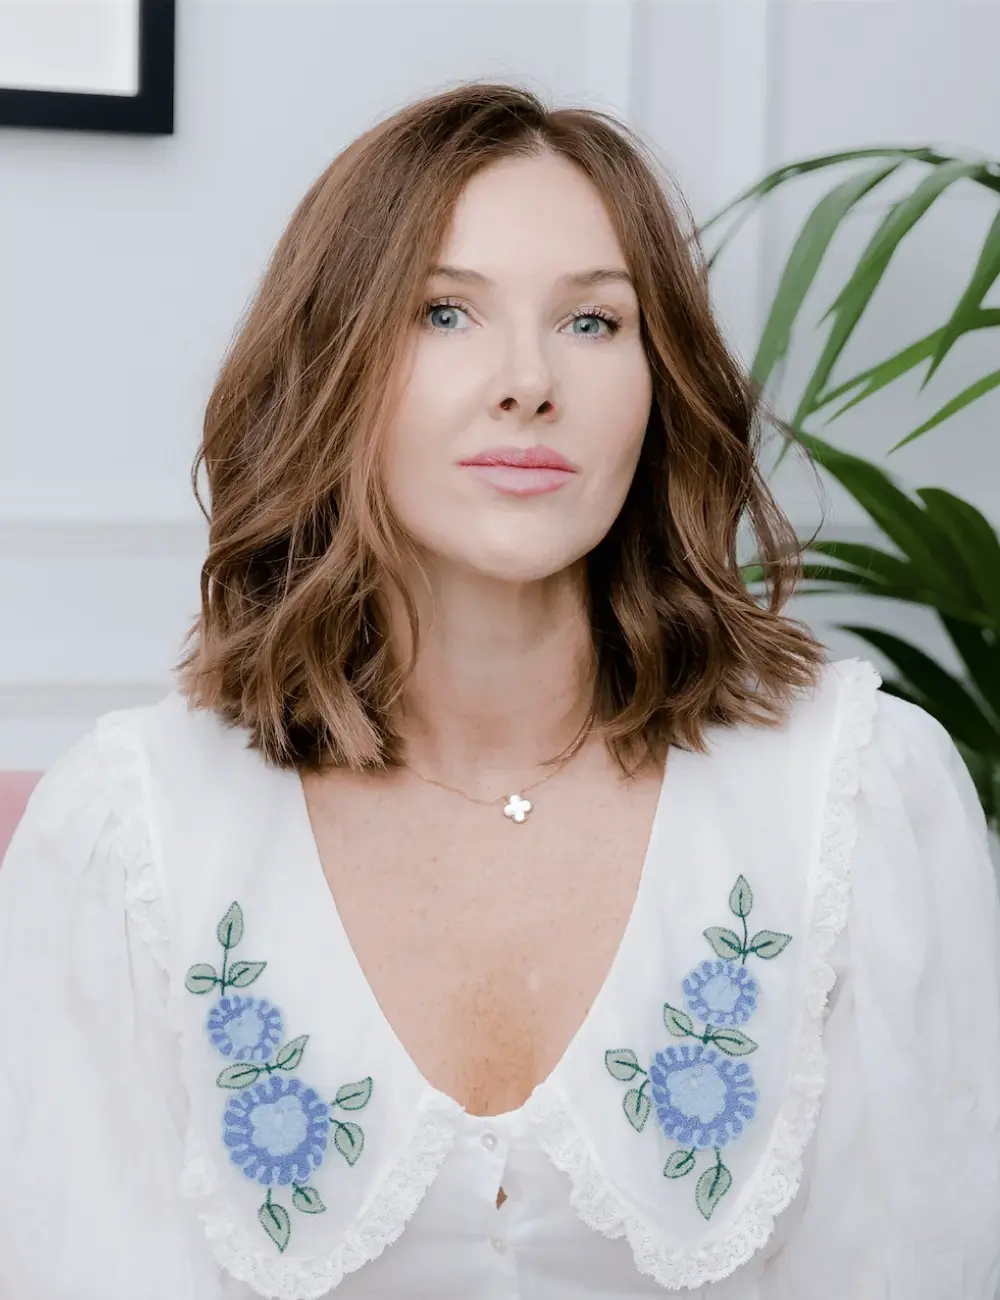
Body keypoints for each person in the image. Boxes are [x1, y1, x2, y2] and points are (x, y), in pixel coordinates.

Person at [0, 81, 998, 1300]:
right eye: (443, 312)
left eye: (592, 324)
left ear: (658, 378)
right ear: (334, 366)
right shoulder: (127, 832)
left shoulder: (861, 802)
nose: (529, 382)